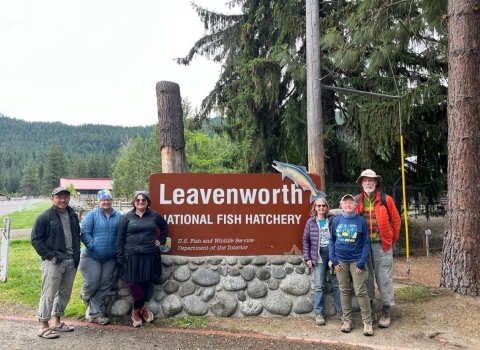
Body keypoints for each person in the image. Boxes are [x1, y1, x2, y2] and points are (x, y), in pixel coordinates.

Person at [31, 187, 80, 339]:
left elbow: (76, 235)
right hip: (54, 262)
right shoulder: (45, 217)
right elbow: (36, 239)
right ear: (52, 198)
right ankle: (43, 325)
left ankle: (56, 321)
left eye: (65, 197)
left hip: (71, 261)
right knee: (49, 293)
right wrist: (50, 256)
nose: (63, 200)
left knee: (64, 293)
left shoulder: (72, 215)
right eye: (59, 197)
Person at [355, 169, 401, 328]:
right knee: (366, 278)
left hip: (382, 245)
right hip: (362, 247)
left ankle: (386, 311)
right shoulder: (356, 201)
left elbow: (396, 221)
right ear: (361, 183)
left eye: (371, 180)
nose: (368, 183)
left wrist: (390, 239)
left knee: (384, 278)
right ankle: (370, 310)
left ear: (376, 183)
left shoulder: (385, 199)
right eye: (365, 180)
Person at [116, 190, 169, 327]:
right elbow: (120, 238)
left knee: (144, 281)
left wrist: (161, 240)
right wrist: (120, 256)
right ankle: (141, 307)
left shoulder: (154, 215)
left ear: (147, 202)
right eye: (138, 200)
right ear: (134, 202)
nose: (140, 202)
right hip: (130, 255)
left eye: (143, 200)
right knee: (132, 282)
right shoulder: (127, 217)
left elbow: (164, 227)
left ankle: (136, 311)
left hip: (149, 254)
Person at [329, 194, 373, 336]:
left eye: (350, 203)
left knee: (360, 291)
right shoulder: (336, 220)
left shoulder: (361, 221)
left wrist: (362, 262)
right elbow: (332, 241)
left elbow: (366, 243)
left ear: (355, 206)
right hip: (340, 262)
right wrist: (334, 259)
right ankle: (347, 320)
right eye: (345, 203)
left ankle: (367, 321)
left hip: (357, 262)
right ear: (341, 205)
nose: (348, 205)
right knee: (344, 290)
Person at [79, 189, 121, 325]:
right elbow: (84, 233)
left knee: (105, 284)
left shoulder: (118, 216)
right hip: (91, 256)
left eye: (108, 199)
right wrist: (94, 246)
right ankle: (85, 295)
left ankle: (95, 314)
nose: (106, 202)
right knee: (92, 282)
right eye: (103, 199)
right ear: (99, 201)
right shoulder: (92, 215)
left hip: (110, 257)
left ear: (112, 201)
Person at [302, 197, 342, 326]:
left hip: (333, 255)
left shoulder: (333, 220)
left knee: (337, 284)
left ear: (327, 207)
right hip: (319, 256)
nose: (321, 208)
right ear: (315, 208)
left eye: (323, 205)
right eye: (318, 206)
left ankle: (341, 312)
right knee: (319, 285)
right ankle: (319, 313)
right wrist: (307, 257)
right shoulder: (311, 222)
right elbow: (306, 241)